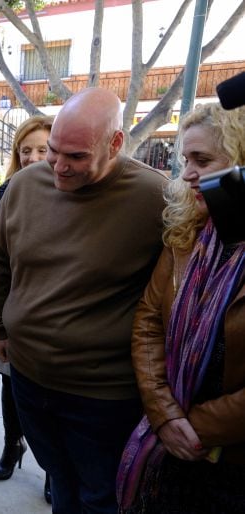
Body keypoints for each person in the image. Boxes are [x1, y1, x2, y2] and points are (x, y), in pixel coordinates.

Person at [0, 87, 168, 514]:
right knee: (60, 479)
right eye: (53, 152)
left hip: (101, 395)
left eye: (76, 157)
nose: (59, 167)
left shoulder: (154, 197)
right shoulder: (25, 184)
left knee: (101, 496)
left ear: (115, 144)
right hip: (29, 379)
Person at [117, 102, 245, 513]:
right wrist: (165, 415)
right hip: (172, 446)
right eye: (185, 159)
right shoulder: (186, 234)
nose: (187, 173)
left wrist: (193, 428)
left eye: (202, 160)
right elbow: (149, 322)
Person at [0, 115, 54, 504]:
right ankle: (13, 446)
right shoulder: (5, 192)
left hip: (51, 318)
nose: (33, 157)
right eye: (25, 151)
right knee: (12, 386)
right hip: (7, 310)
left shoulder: (70, 193)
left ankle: (51, 467)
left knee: (52, 394)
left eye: (42, 149)